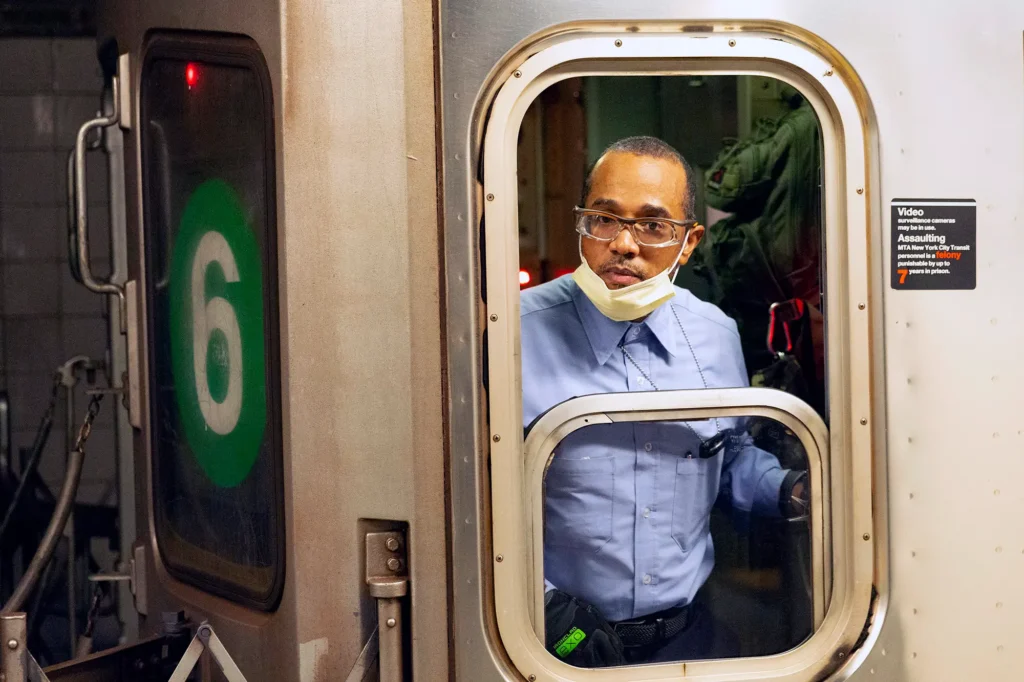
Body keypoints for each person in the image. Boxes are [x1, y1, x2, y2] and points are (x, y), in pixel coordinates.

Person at [520, 136, 808, 667]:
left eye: (654, 226)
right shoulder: (511, 336)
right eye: (604, 220)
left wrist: (790, 490)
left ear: (690, 242)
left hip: (687, 641)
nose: (624, 245)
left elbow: (727, 455)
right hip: (553, 644)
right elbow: (467, 502)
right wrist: (541, 605)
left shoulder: (716, 335)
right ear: (581, 222)